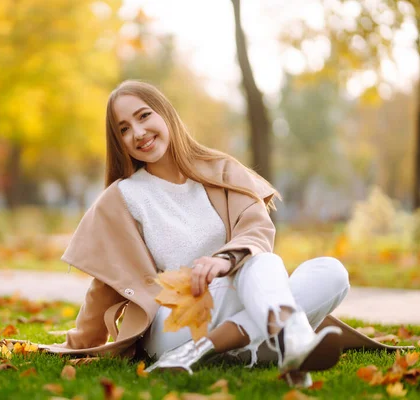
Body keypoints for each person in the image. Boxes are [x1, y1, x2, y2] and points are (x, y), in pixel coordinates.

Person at [41, 80, 406, 388]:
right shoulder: (123, 197)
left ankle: (259, 343)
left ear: (165, 114)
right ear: (118, 141)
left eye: (143, 116)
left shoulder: (218, 171)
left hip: (238, 309)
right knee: (259, 264)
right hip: (176, 324)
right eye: (123, 129)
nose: (137, 133)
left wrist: (222, 260)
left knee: (330, 272)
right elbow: (107, 284)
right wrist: (78, 344)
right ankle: (289, 333)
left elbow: (256, 228)